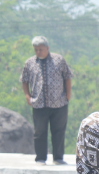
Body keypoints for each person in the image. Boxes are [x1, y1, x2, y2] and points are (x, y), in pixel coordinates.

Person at [21, 35, 73, 165]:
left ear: (47, 48)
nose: (38, 52)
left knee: (59, 131)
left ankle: (58, 158)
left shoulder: (59, 60)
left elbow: (67, 77)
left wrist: (68, 95)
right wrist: (28, 96)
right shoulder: (29, 63)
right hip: (39, 104)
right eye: (36, 49)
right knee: (39, 132)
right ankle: (40, 158)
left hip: (59, 103)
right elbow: (24, 80)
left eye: (41, 49)